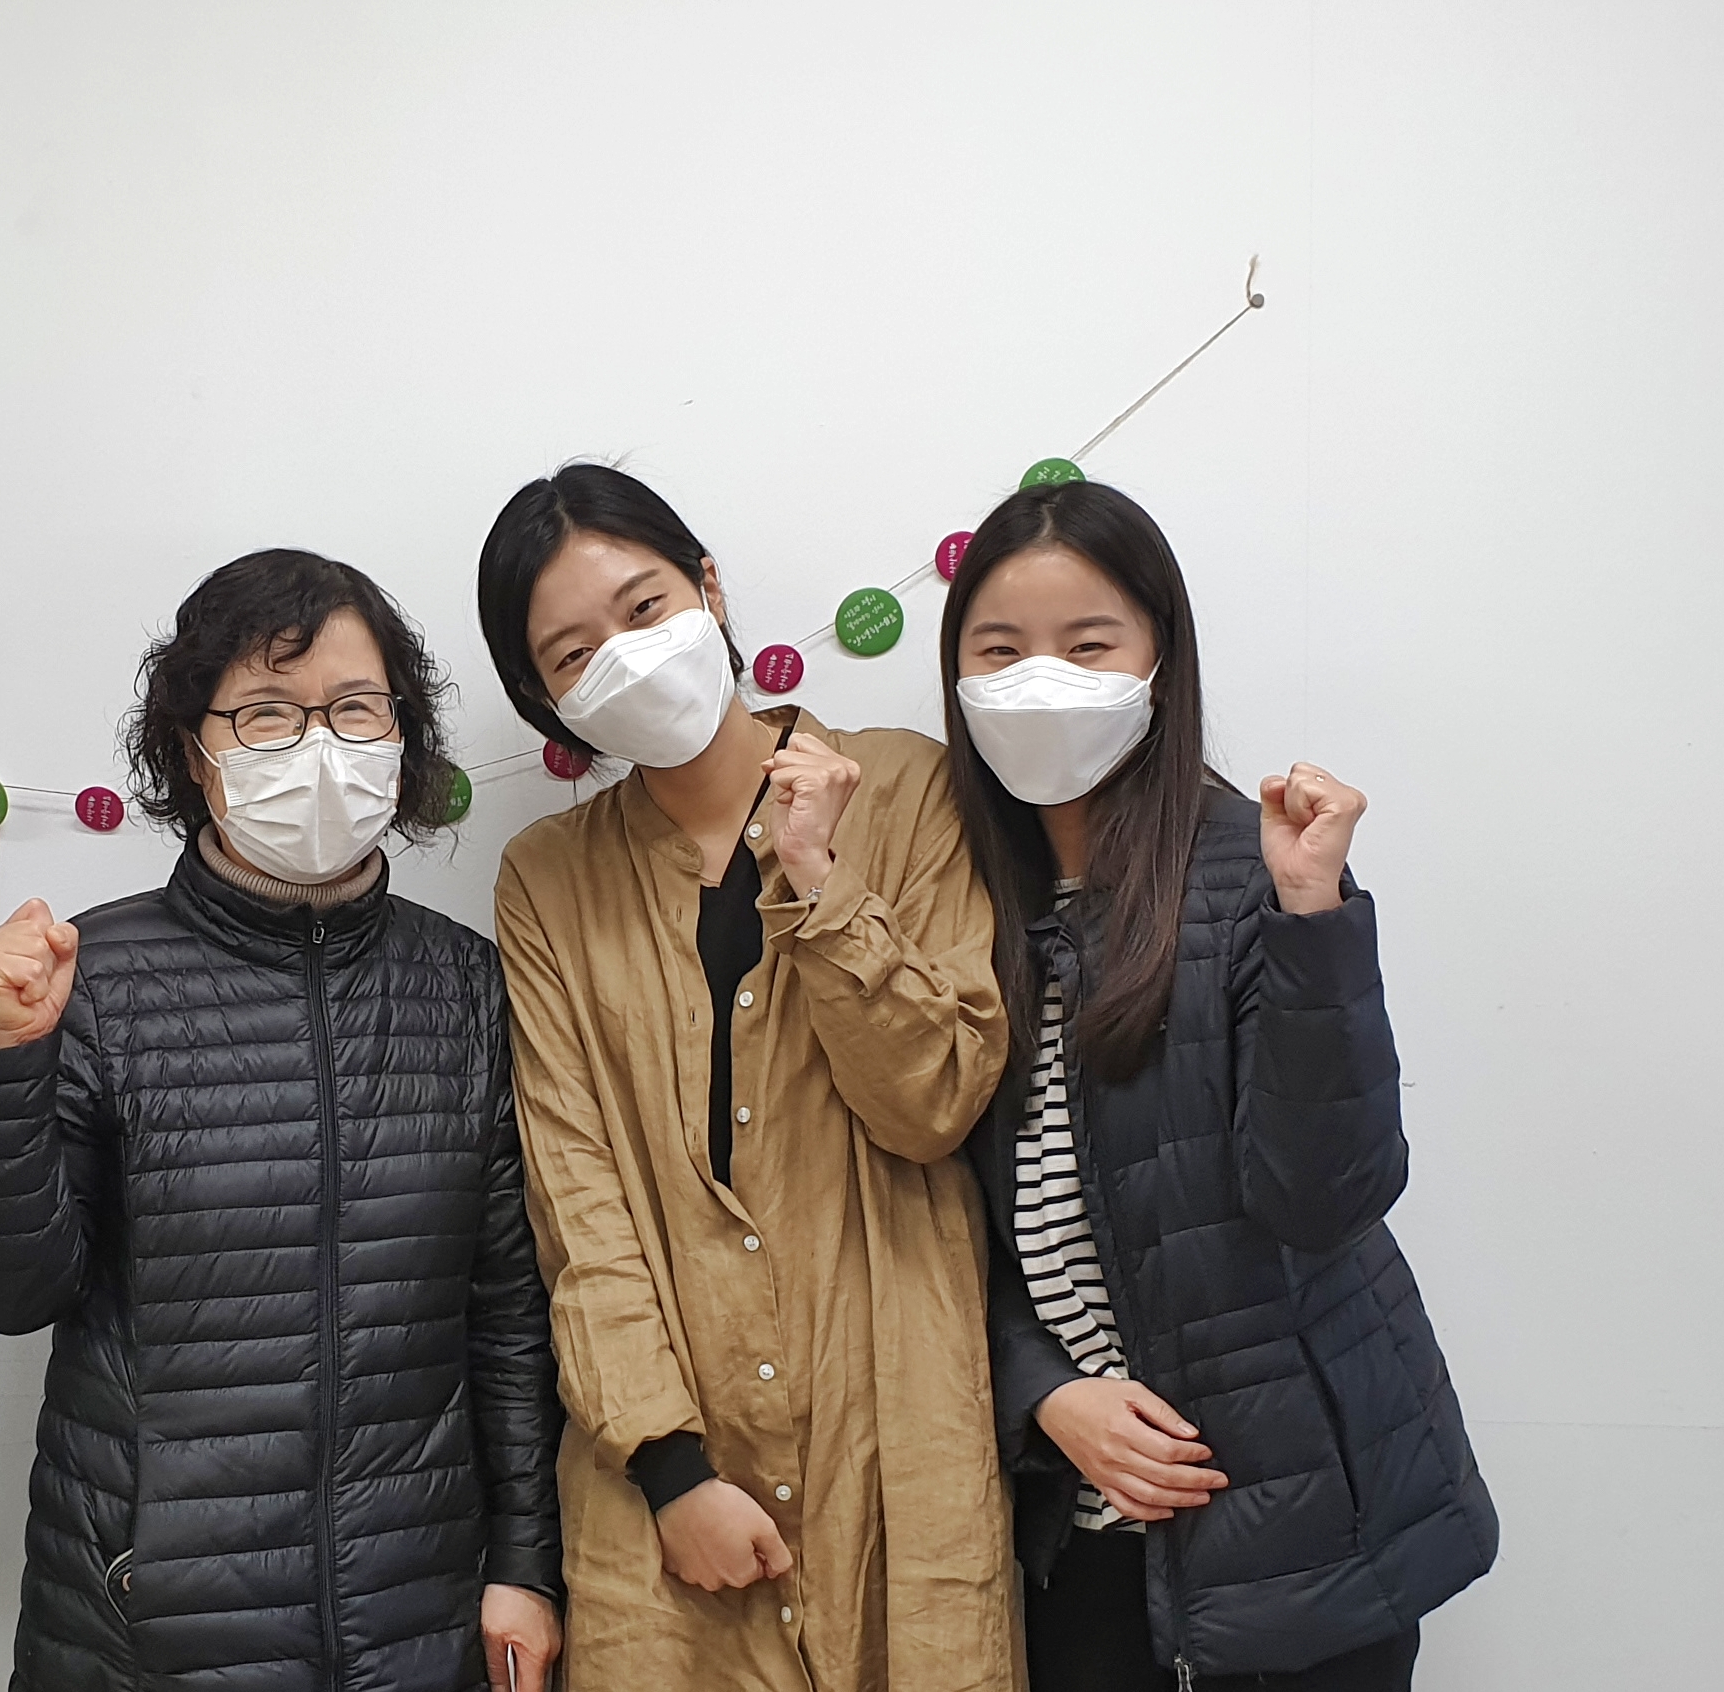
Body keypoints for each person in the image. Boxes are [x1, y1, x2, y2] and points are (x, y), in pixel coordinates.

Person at [0, 549, 565, 1692]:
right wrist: (12, 1060)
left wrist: (525, 1563)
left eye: (355, 708)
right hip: (147, 1624)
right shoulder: (95, 976)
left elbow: (507, 1313)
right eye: (267, 713)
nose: (318, 745)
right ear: (194, 749)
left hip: (413, 1615)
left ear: (402, 733)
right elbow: (10, 1292)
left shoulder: (465, 984)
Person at [938, 479, 1497, 1691]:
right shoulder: (950, 903)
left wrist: (1312, 921)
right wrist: (1045, 1394)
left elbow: (1324, 1198)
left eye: (1089, 645)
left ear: (1160, 661)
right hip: (1073, 1534)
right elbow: (928, 1223)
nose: (1042, 680)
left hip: (1299, 1532)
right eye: (1001, 650)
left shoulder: (1257, 873)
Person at [475, 464, 1018, 1691]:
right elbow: (577, 1197)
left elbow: (934, 1104)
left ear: (709, 588)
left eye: (644, 608)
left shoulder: (908, 788)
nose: (623, 659)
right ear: (545, 699)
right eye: (572, 655)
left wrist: (821, 881)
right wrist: (668, 1469)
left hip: (892, 1434)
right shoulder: (547, 879)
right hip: (658, 1481)